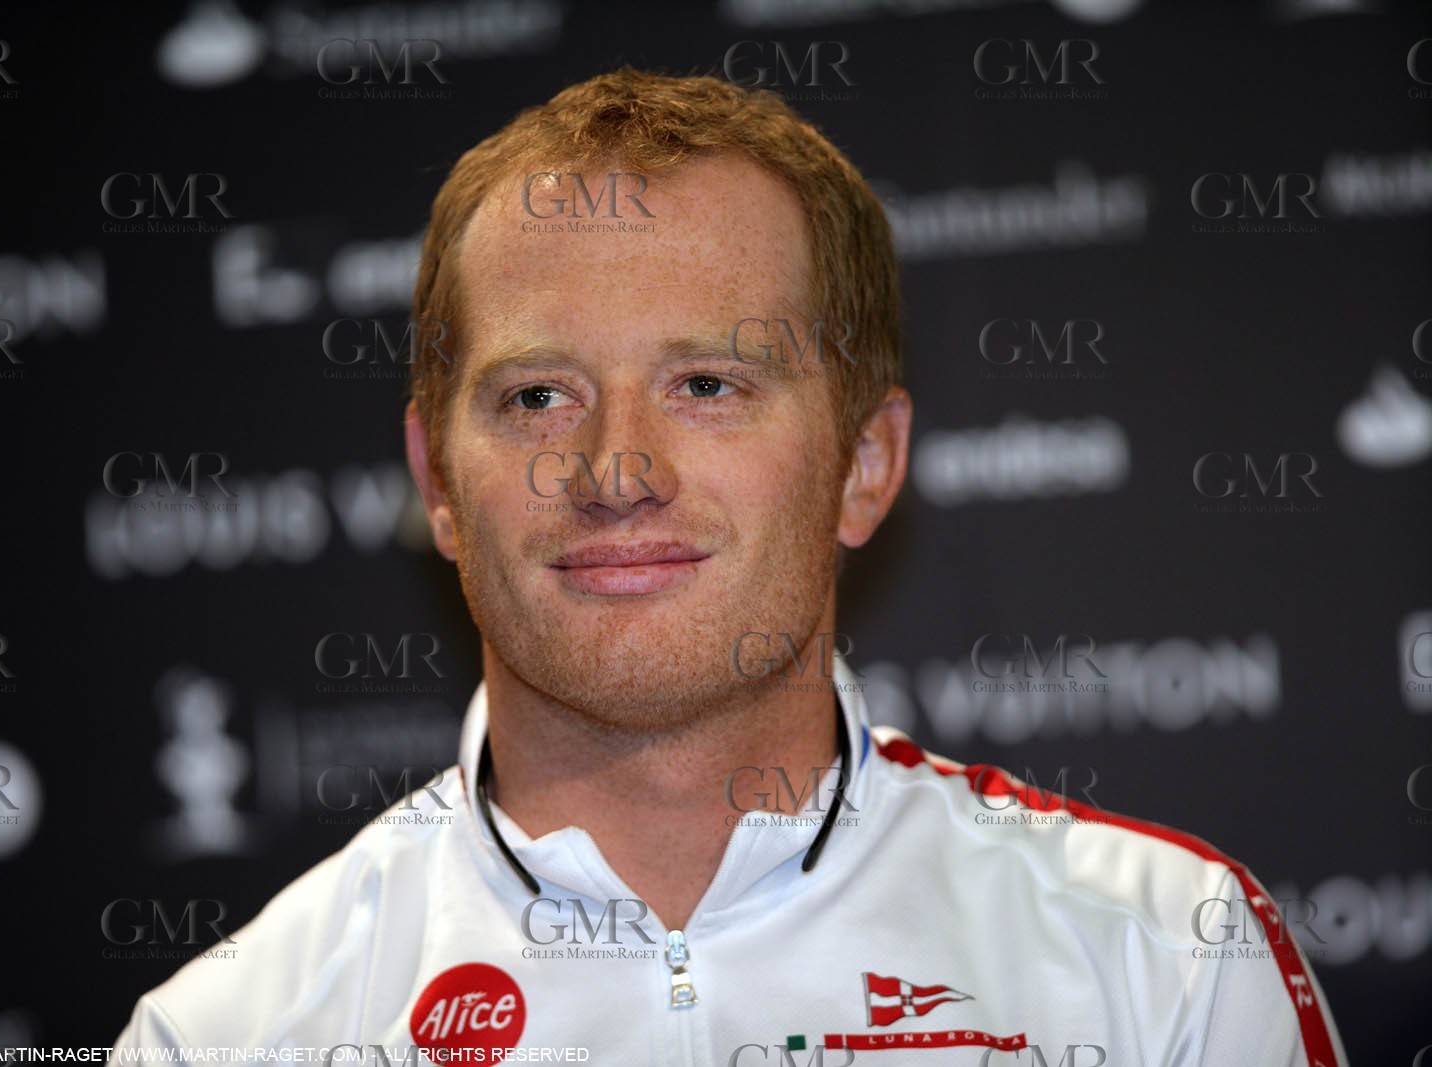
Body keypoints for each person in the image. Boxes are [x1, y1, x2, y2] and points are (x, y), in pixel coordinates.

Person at [110, 68, 1348, 1066]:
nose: (613, 468)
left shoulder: (1168, 958)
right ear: (437, 479)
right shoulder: (226, 1035)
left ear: (866, 461)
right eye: (538, 395)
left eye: (708, 385)